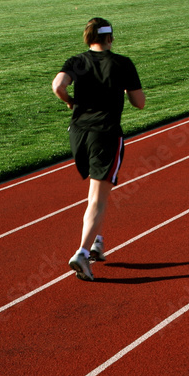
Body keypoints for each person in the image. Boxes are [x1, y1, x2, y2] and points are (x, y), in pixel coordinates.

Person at [52, 18, 145, 281]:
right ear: (110, 38)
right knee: (98, 198)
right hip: (105, 134)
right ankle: (81, 253)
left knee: (96, 192)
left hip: (78, 134)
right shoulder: (122, 63)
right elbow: (139, 103)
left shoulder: (77, 61)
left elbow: (58, 86)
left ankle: (96, 243)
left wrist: (70, 102)